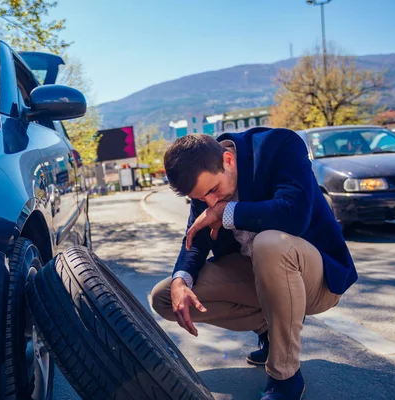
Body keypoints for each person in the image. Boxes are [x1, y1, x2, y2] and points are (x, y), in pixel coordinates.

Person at [151, 128, 357, 400]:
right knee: (165, 297)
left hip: (315, 280)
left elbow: (294, 214)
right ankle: (269, 331)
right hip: (256, 276)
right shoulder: (205, 182)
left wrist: (227, 212)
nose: (210, 202)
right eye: (201, 199)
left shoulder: (279, 145)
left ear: (228, 160)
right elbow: (196, 238)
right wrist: (181, 279)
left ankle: (285, 377)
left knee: (269, 244)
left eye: (213, 191)